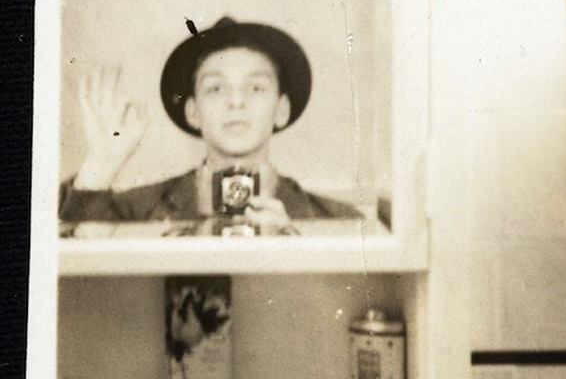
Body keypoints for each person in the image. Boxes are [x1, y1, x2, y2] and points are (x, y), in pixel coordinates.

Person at [59, 16, 361, 232]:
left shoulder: (341, 222)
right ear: (193, 112)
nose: (236, 101)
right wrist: (100, 165)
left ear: (281, 110)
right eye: (216, 88)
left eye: (255, 88)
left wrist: (292, 244)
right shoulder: (130, 213)